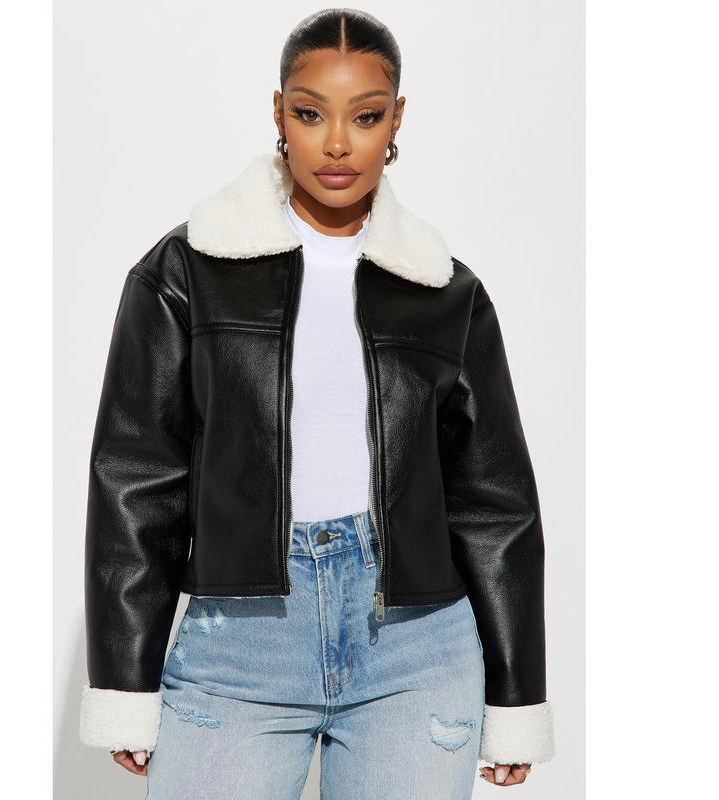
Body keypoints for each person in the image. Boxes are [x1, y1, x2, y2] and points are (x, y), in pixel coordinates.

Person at [78, 8, 555, 798]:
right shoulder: (186, 271)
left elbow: (495, 503)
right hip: (239, 645)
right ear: (278, 113)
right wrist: (126, 680)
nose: (337, 143)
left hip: (416, 649)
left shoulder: (444, 291)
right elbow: (136, 477)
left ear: (396, 120)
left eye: (365, 116)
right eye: (310, 113)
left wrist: (515, 695)